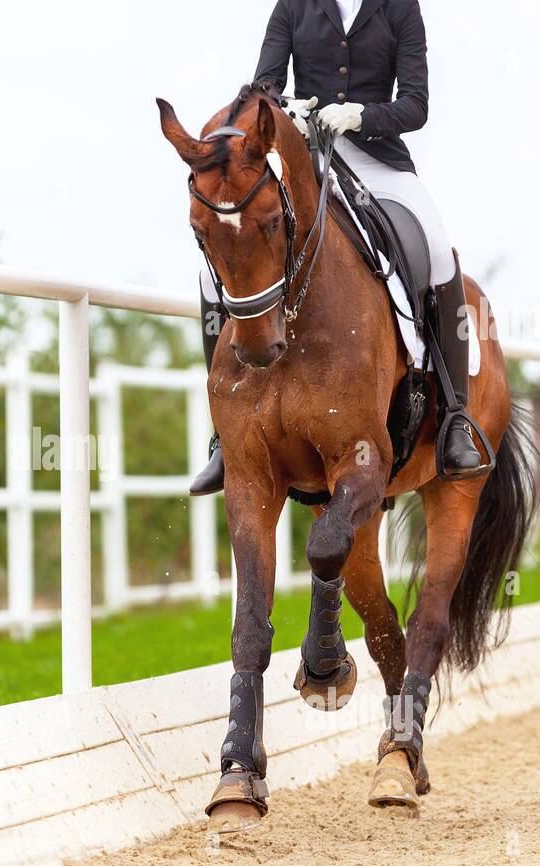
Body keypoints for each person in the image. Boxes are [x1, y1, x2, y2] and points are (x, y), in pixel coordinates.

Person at [190, 0, 480, 497]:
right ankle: (225, 430)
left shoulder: (399, 9)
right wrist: (284, 108)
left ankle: (455, 417)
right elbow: (264, 86)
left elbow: (416, 104)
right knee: (205, 275)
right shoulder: (294, 6)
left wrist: (361, 116)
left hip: (377, 158)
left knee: (434, 249)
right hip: (307, 159)